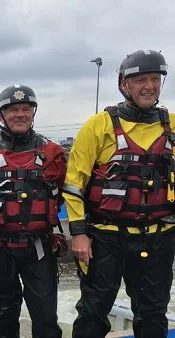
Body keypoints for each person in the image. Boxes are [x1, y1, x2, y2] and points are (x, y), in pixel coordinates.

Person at [66, 49, 175, 338]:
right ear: (124, 84)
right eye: (140, 79)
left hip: (158, 238)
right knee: (92, 311)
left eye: (155, 79)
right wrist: (78, 233)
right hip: (106, 238)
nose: (149, 86)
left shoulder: (172, 125)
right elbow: (74, 184)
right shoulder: (98, 126)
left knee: (152, 314)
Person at [0, 85, 66, 338]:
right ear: (1, 115)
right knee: (4, 314)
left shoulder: (53, 152)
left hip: (39, 247)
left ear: (33, 113)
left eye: (26, 109)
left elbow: (66, 194)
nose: (20, 114)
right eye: (13, 110)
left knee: (45, 316)